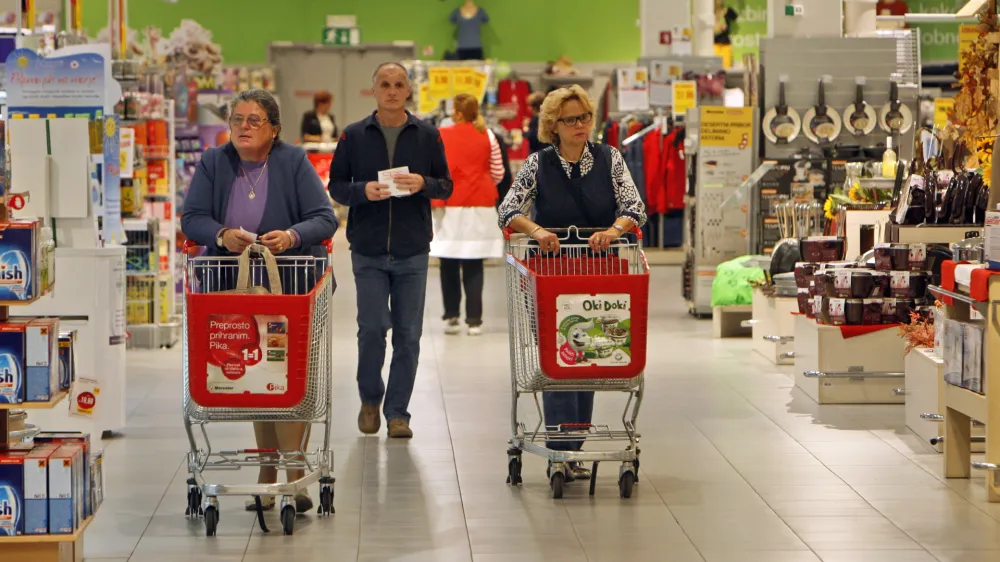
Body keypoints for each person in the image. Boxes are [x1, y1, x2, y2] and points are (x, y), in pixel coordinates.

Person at [181, 89, 338, 512]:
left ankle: (293, 473)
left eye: (254, 120)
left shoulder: (292, 161)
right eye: (237, 120)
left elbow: (324, 217)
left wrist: (291, 236)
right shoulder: (215, 162)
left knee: (289, 375)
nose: (243, 127)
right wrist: (220, 235)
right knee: (256, 375)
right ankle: (268, 471)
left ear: (274, 129)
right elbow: (192, 217)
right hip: (233, 287)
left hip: (290, 285)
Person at [497, 85, 646, 481]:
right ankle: (561, 448)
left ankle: (573, 445)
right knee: (559, 353)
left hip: (600, 271)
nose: (580, 125)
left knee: (589, 354)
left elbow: (635, 207)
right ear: (552, 126)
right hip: (550, 274)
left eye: (585, 117)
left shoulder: (610, 158)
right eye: (570, 119)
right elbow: (508, 209)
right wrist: (537, 229)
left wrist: (614, 232)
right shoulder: (537, 163)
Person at [329, 62, 453, 439]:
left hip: (412, 249)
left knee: (409, 334)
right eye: (385, 84)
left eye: (399, 84)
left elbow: (446, 186)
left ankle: (398, 412)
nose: (392, 90)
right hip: (366, 250)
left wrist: (423, 183)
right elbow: (336, 186)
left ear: (408, 91)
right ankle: (370, 399)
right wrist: (361, 192)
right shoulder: (353, 136)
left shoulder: (428, 136)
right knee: (371, 329)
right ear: (374, 90)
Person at [432, 93, 505, 336]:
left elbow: (435, 168)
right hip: (480, 204)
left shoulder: (441, 135)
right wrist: (481, 182)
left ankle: (451, 315)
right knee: (474, 264)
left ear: (458, 113)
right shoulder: (489, 135)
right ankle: (475, 320)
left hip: (450, 204)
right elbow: (498, 171)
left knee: (448, 261)